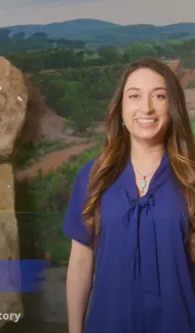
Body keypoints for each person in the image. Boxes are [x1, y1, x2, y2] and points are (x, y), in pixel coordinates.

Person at [62, 57, 195, 333]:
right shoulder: (92, 176)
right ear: (120, 110)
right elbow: (80, 263)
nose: (146, 107)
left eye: (159, 96)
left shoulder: (191, 177)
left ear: (173, 108)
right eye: (134, 96)